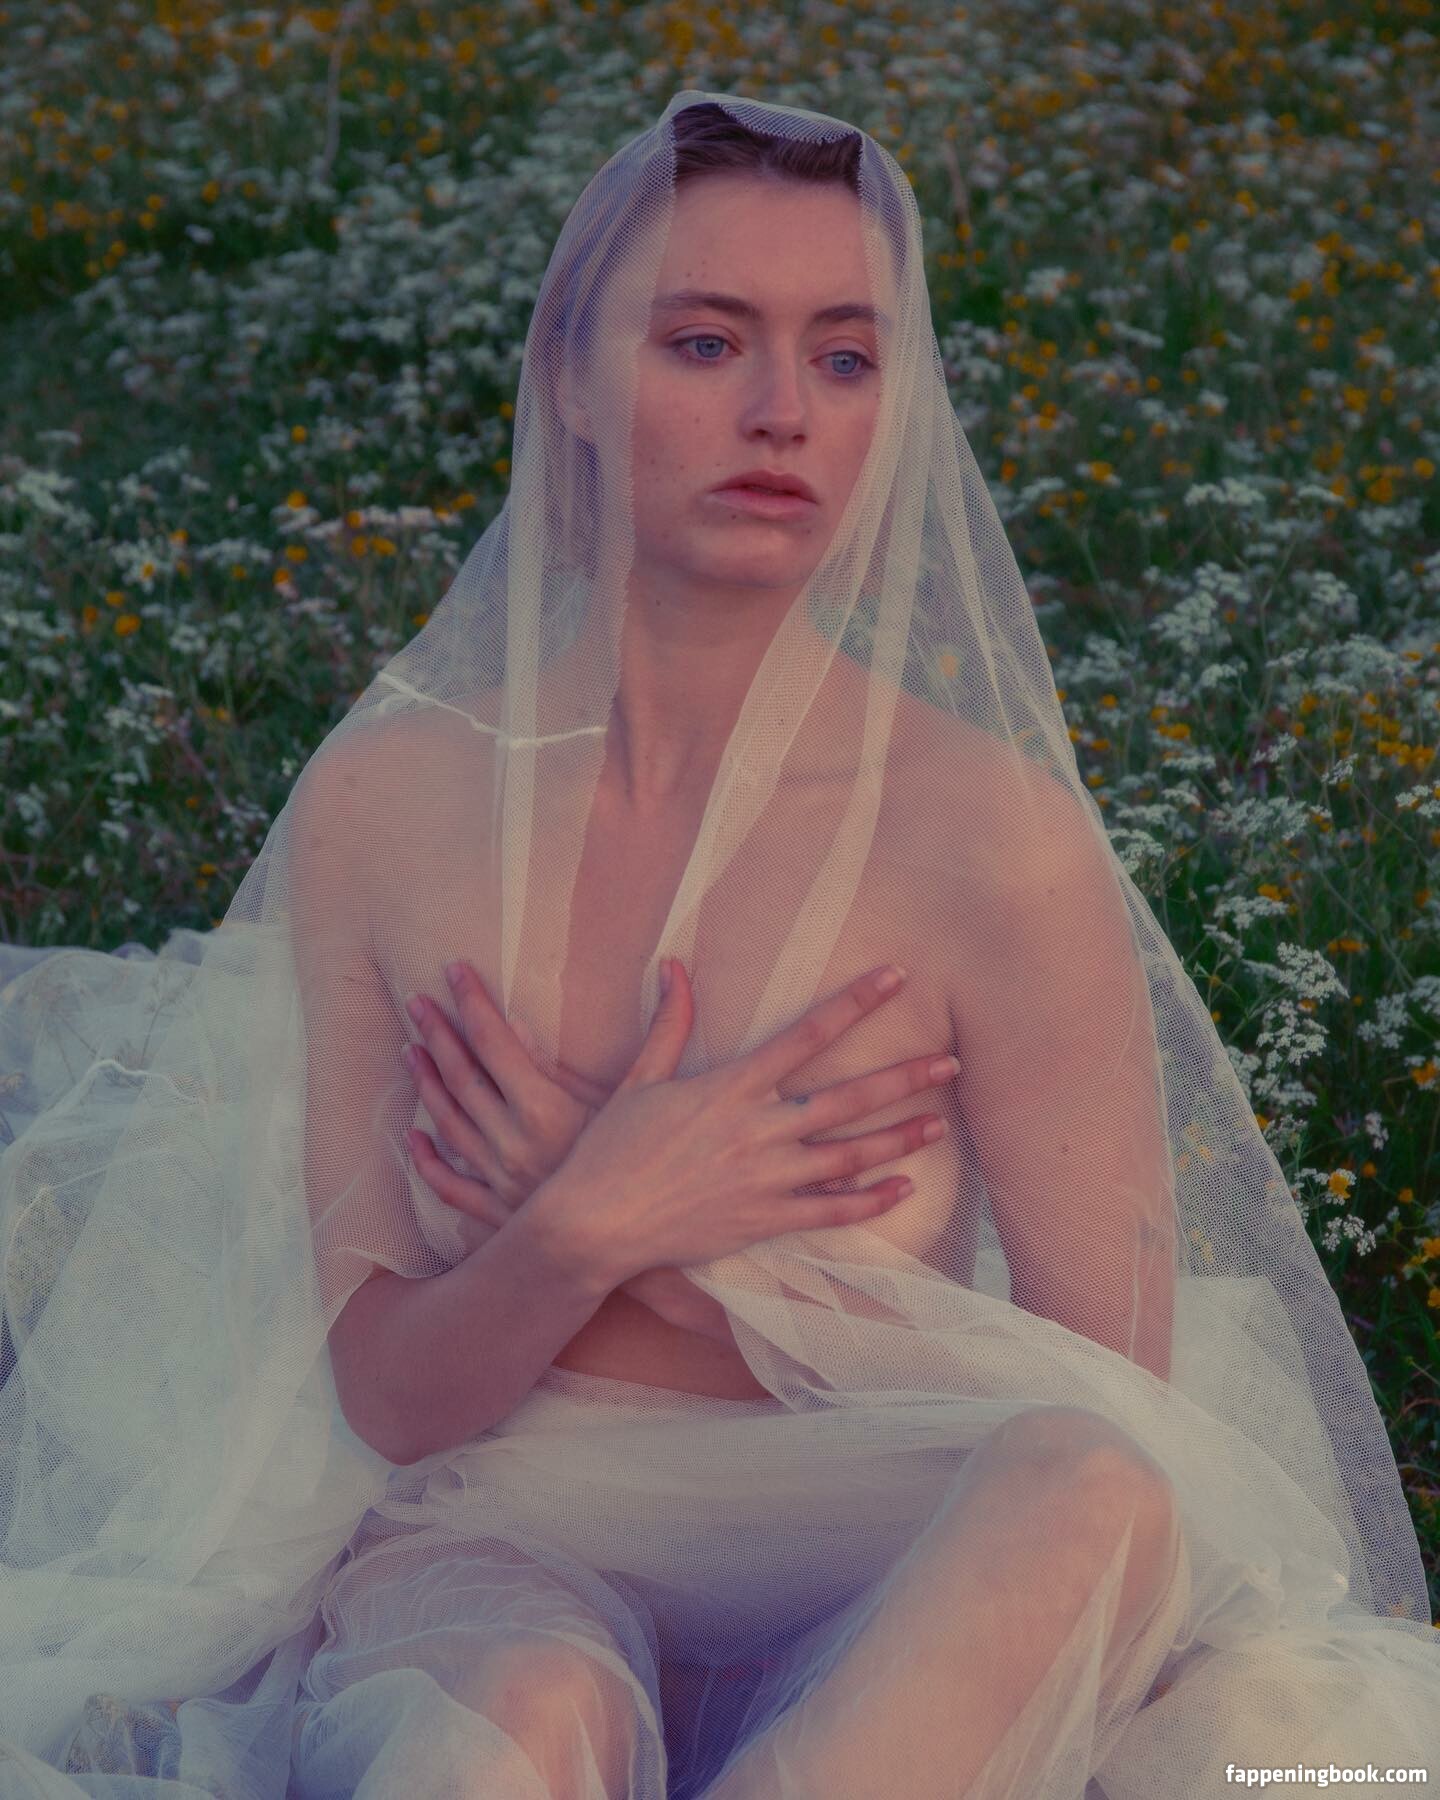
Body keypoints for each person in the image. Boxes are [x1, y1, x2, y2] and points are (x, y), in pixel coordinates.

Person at [1, 90, 1438, 1800]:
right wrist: (582, 1226)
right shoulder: (389, 804)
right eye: (705, 341)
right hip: (500, 1521)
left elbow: (1113, 1398)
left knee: (1097, 1492)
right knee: (515, 1718)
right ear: (569, 374)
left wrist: (652, 1244)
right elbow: (383, 1392)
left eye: (846, 357)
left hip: (877, 1525)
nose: (782, 413)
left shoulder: (995, 841)